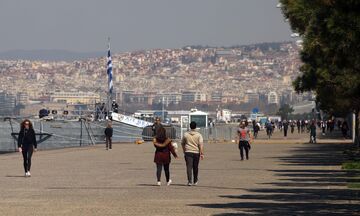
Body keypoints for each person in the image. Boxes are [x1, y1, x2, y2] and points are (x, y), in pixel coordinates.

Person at [181, 121, 204, 186]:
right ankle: (195, 180)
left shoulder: (186, 134)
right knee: (195, 167)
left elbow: (182, 143)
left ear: (190, 126)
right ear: (195, 127)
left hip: (188, 152)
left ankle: (189, 181)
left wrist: (184, 150)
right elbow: (200, 144)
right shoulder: (199, 135)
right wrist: (201, 153)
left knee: (189, 167)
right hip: (196, 152)